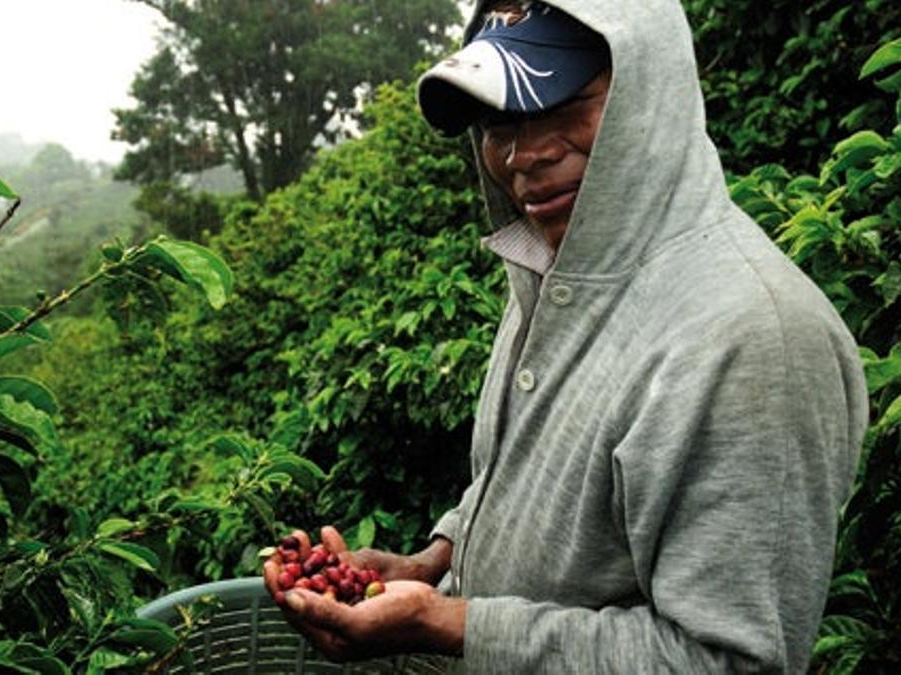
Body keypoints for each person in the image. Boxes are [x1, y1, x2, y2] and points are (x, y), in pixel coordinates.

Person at [263, 0, 869, 672]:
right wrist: (437, 560)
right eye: (501, 121)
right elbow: (531, 472)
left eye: (566, 102)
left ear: (653, 92)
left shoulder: (751, 339)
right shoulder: (559, 269)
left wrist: (449, 623)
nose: (526, 155)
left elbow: (728, 661)